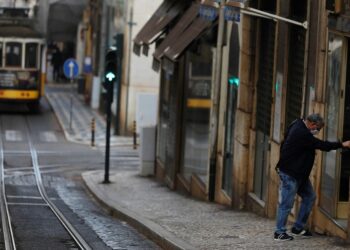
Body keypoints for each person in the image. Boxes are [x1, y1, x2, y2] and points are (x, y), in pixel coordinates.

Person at [274, 113, 350, 241]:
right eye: (318, 129)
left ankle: (297, 228)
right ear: (312, 124)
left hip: (299, 174)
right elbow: (322, 145)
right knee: (287, 203)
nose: (317, 131)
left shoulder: (297, 123)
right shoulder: (302, 133)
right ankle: (279, 232)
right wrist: (342, 144)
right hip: (290, 173)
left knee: (309, 197)